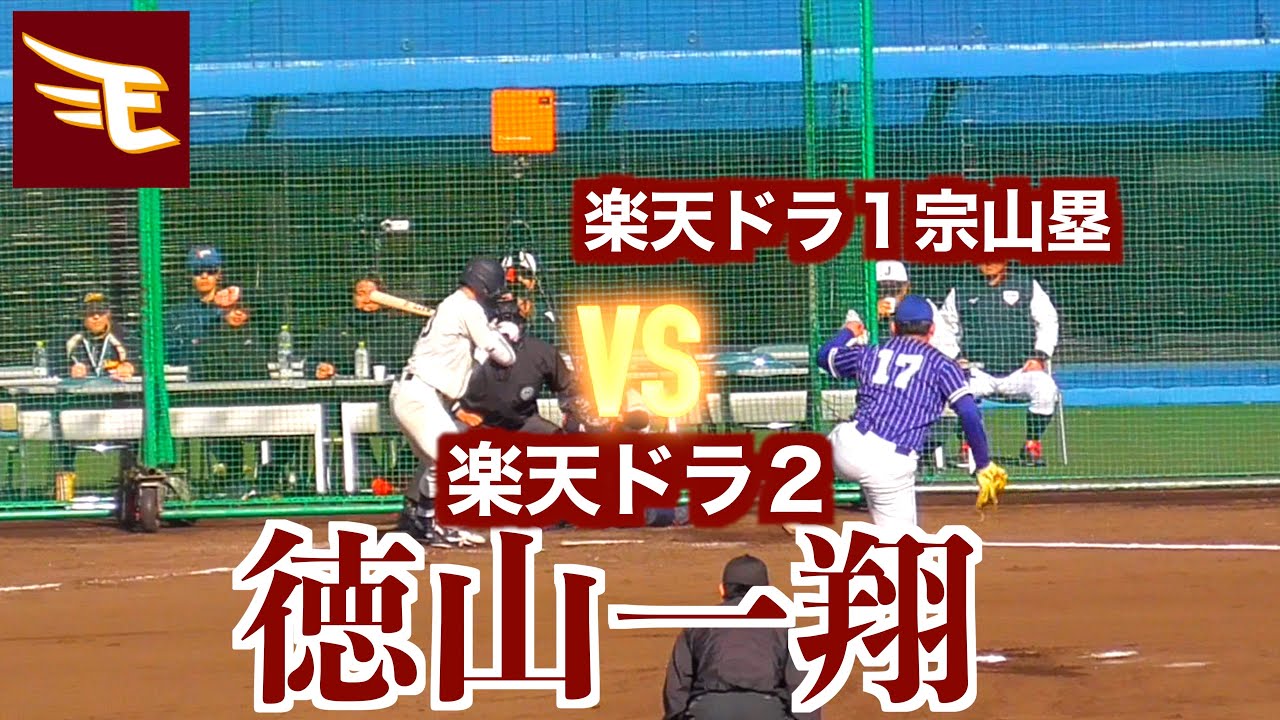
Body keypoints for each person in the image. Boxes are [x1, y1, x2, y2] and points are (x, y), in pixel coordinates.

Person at [816, 296, 1008, 531]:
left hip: (848, 445)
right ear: (932, 329)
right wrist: (983, 463)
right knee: (903, 548)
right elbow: (969, 412)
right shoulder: (943, 365)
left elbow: (824, 356)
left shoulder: (869, 353)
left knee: (833, 444)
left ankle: (798, 495)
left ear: (893, 327)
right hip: (890, 463)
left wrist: (848, 331)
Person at [391, 257, 516, 549]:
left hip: (420, 395)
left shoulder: (455, 307)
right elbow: (504, 356)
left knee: (435, 463)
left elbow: (476, 359)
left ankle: (424, 520)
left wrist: (492, 330)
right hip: (421, 394)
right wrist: (501, 334)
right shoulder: (467, 308)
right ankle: (438, 524)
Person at [662, 555, 818, 720]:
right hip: (766, 711)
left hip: (708, 710)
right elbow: (802, 688)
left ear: (722, 590)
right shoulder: (785, 626)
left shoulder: (698, 624)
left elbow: (677, 686)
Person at [936, 260, 1061, 467]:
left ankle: (1032, 444)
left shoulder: (1027, 286)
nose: (988, 262)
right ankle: (968, 446)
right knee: (956, 390)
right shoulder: (961, 290)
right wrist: (955, 358)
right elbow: (944, 329)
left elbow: (1048, 321)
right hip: (976, 371)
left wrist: (1040, 356)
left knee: (1046, 388)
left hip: (1020, 370)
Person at [454, 294, 591, 435]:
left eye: (511, 302)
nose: (505, 310)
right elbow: (442, 388)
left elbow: (569, 388)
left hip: (522, 424)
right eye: (500, 302)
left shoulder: (539, 352)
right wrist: (457, 411)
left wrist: (573, 415)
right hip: (474, 423)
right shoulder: (465, 350)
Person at [56, 291, 138, 494]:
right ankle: (64, 493)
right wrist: (68, 370)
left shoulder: (124, 336)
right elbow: (52, 363)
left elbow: (142, 359)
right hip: (79, 405)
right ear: (82, 315)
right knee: (61, 431)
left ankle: (132, 487)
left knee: (137, 427)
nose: (95, 317)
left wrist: (131, 367)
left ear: (108, 314)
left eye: (100, 313)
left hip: (118, 404)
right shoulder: (69, 337)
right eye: (90, 313)